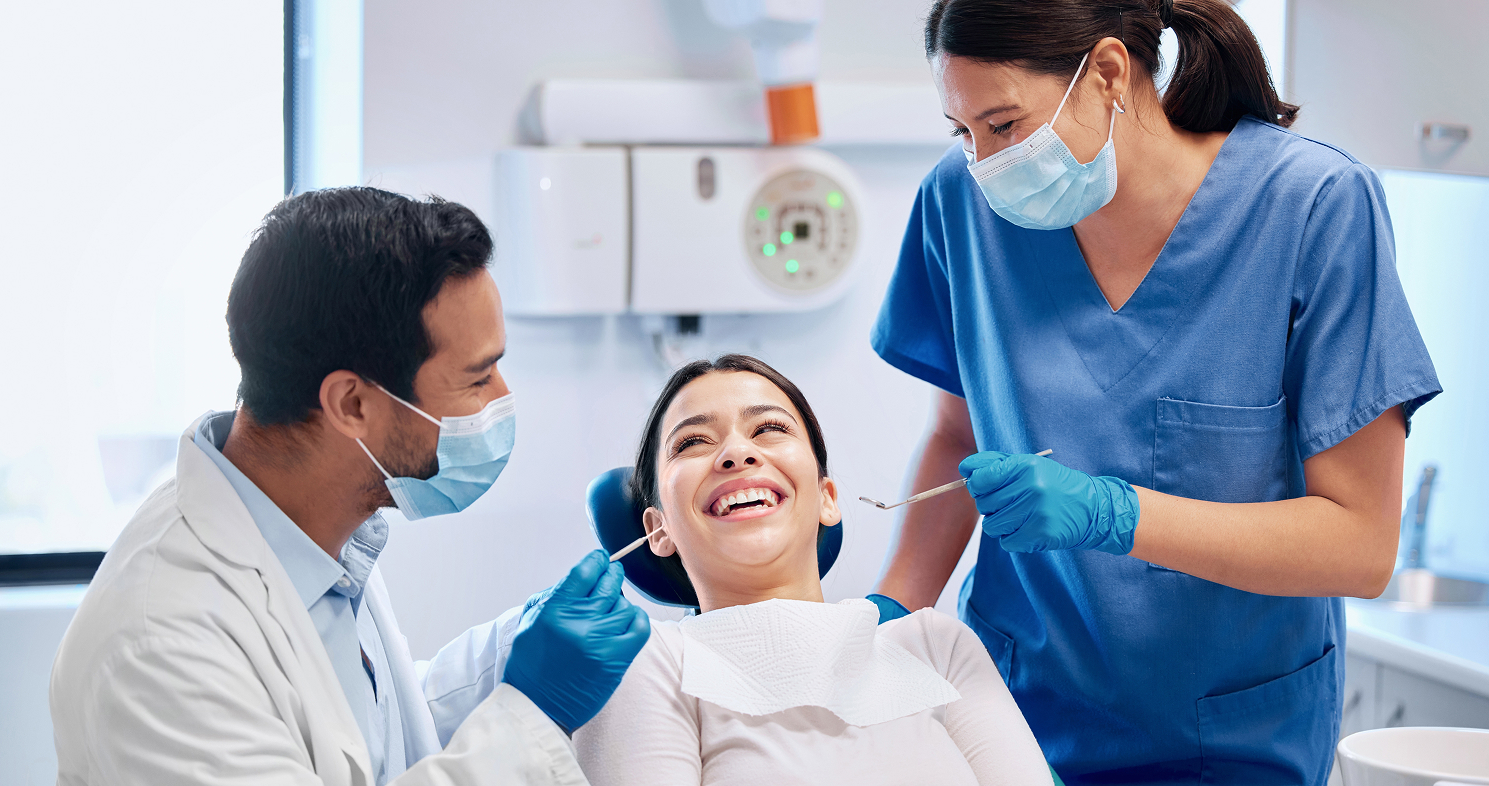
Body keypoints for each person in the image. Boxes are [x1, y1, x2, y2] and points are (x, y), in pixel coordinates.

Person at [869, 1, 1441, 783]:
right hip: (1009, 718)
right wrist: (890, 617)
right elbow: (957, 438)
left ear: (1107, 71)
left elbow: (1361, 547)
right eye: (962, 133)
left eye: (1003, 126)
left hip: (1230, 737)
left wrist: (1117, 515)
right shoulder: (960, 205)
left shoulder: (1312, 207)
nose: (986, 164)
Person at [49, 188, 650, 785]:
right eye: (477, 378)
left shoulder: (308, 526)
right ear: (352, 403)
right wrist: (536, 710)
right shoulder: (165, 646)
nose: (503, 398)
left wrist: (516, 650)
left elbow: (365, 737)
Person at [572, 355, 1052, 786]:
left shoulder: (935, 645)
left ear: (827, 499)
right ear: (658, 530)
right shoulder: (644, 663)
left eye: (769, 429)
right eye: (693, 441)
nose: (736, 454)